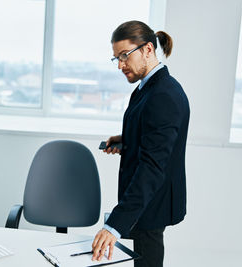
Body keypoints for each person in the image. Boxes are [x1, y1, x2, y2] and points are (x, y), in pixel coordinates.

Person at [91, 20, 190, 267]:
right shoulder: (149, 87)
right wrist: (127, 139)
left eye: (125, 56)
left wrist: (114, 225)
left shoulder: (163, 95)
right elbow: (156, 135)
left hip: (150, 205)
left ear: (147, 49)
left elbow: (152, 167)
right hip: (144, 203)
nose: (120, 65)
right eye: (116, 59)